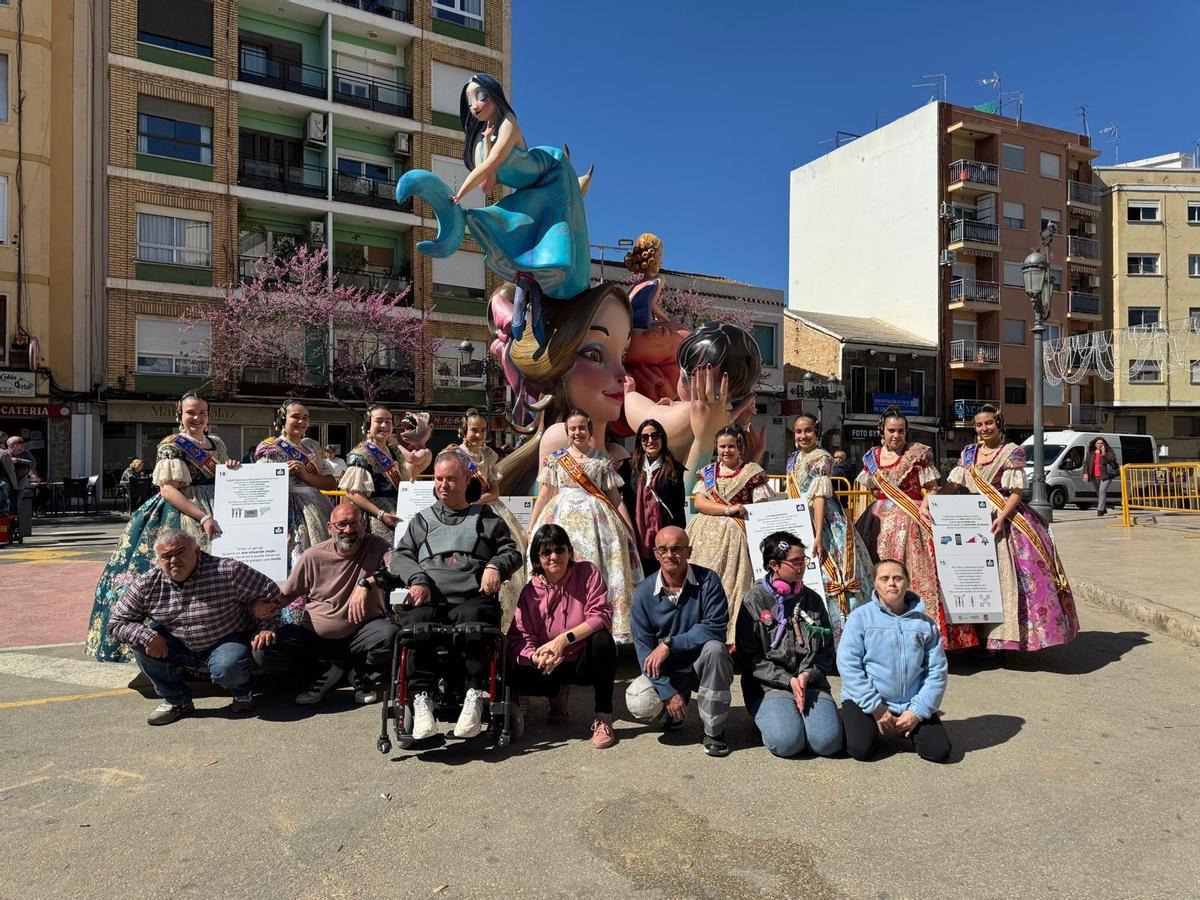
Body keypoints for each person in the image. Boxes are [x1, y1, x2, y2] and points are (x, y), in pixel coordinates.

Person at [397, 74, 591, 350]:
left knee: (539, 233)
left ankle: (542, 294)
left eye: (480, 96)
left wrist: (460, 192)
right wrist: (486, 142)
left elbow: (493, 163)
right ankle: (529, 295)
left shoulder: (509, 123)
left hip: (552, 172)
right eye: (469, 101)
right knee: (500, 223)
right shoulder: (482, 142)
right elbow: (488, 186)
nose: (474, 105)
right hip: (531, 189)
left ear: (495, 95)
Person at [87, 392, 241, 662]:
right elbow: (168, 490)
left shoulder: (216, 443)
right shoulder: (171, 445)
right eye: (191, 412)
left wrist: (231, 468)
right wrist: (203, 517)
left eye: (202, 412)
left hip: (219, 505)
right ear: (180, 414)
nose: (197, 418)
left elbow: (222, 477)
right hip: (184, 510)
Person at [388, 450, 523, 740]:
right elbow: (400, 557)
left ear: (467, 479)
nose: (443, 485)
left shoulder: (485, 519)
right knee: (416, 625)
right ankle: (421, 699)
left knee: (475, 623)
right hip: (431, 596)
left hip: (472, 596)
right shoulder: (422, 521)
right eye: (438, 479)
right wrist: (417, 579)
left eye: (450, 479)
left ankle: (474, 695)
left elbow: (512, 552)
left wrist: (494, 566)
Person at [107, 530, 280, 725]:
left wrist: (266, 625)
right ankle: (177, 700)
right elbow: (117, 621)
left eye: (180, 552)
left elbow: (270, 591)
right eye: (166, 556)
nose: (174, 560)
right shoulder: (146, 583)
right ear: (158, 560)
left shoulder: (228, 571)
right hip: (178, 643)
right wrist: (147, 637)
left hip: (226, 638)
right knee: (141, 645)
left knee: (228, 666)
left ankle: (241, 690)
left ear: (197, 552)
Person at [947, 404, 1079, 652]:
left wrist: (1002, 517)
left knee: (1006, 577)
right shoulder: (969, 453)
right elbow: (953, 485)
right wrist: (933, 503)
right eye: (979, 425)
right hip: (973, 519)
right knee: (974, 579)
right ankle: (977, 635)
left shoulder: (1011, 452)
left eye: (989, 423)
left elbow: (1016, 492)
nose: (984, 428)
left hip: (1005, 519)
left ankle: (1002, 639)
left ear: (998, 424)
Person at [855, 405, 976, 651]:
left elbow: (931, 488)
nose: (896, 435)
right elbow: (872, 490)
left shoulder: (918, 454)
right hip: (877, 521)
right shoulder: (872, 457)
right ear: (882, 431)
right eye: (891, 430)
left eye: (900, 431)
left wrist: (924, 506)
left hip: (911, 519)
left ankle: (922, 634)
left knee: (920, 575)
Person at [258, 501, 399, 705]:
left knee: (392, 635)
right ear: (330, 527)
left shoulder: (377, 546)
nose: (348, 530)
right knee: (263, 651)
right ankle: (323, 671)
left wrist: (367, 583)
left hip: (361, 633)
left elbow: (399, 568)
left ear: (363, 524)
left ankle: (361, 674)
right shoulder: (312, 556)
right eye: (342, 525)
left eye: (354, 523)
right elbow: (286, 596)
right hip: (316, 638)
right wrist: (265, 619)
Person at [528, 409, 642, 642]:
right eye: (573, 429)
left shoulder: (601, 461)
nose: (577, 432)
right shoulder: (557, 460)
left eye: (582, 428)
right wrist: (531, 527)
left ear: (589, 431)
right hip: (561, 518)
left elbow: (615, 499)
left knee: (597, 569)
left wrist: (628, 528)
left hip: (597, 522)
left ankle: (595, 622)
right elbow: (545, 494)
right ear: (567, 432)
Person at [626, 526, 734, 758]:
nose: (669, 555)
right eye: (662, 549)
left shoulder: (708, 581)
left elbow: (715, 627)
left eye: (676, 549)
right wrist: (667, 692)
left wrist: (669, 644)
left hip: (701, 665)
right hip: (669, 669)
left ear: (689, 552)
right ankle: (675, 706)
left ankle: (714, 730)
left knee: (716, 650)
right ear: (655, 554)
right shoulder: (643, 593)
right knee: (638, 699)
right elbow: (644, 651)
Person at [508, 524, 618, 749]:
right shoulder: (530, 591)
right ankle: (554, 694)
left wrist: (562, 640)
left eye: (560, 549)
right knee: (509, 664)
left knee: (603, 642)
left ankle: (603, 717)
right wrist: (536, 657)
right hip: (549, 663)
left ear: (569, 551)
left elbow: (601, 615)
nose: (554, 556)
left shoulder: (587, 573)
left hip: (581, 660)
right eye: (546, 552)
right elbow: (520, 637)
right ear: (537, 558)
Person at [735, 532, 843, 758]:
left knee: (827, 743)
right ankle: (771, 716)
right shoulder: (754, 601)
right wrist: (787, 680)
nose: (802, 565)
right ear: (774, 565)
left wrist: (807, 675)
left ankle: (799, 720)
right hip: (769, 686)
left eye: (803, 559)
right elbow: (750, 658)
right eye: (795, 561)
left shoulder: (813, 600)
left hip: (810, 683)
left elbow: (826, 651)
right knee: (787, 743)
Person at [837, 560, 951, 763]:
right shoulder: (860, 618)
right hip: (868, 701)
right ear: (875, 584)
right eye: (884, 578)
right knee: (860, 749)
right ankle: (865, 724)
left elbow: (937, 671)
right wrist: (876, 708)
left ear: (907, 583)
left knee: (939, 751)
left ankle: (898, 726)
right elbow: (848, 664)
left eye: (898, 578)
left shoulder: (925, 624)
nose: (891, 583)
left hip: (910, 703)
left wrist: (917, 712)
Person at [686, 424, 776, 642]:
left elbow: (761, 506)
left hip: (736, 536)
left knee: (730, 583)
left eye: (731, 446)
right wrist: (728, 510)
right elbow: (700, 502)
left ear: (739, 447)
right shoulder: (709, 472)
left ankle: (731, 634)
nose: (726, 451)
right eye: (722, 446)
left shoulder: (751, 472)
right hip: (703, 535)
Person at [786, 414, 873, 640]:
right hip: (800, 518)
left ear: (817, 432)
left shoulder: (822, 457)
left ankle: (841, 632)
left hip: (824, 522)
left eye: (808, 430)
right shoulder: (793, 458)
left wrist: (817, 535)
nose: (803, 435)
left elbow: (820, 498)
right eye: (799, 431)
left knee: (834, 572)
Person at [442, 409, 528, 626]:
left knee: (516, 546)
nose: (479, 435)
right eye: (474, 430)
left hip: (488, 508)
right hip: (460, 510)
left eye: (483, 430)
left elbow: (495, 491)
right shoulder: (453, 454)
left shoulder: (489, 455)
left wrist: (476, 503)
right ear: (464, 430)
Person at [255, 400, 338, 575]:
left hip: (318, 506)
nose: (301, 422)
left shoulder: (312, 447)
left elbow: (331, 482)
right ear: (282, 419)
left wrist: (306, 476)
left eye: (306, 418)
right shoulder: (270, 448)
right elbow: (262, 486)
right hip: (287, 508)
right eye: (295, 417)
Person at [340, 405, 415, 542]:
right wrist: (380, 514)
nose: (384, 425)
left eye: (388, 421)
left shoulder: (394, 451)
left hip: (399, 511)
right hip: (375, 516)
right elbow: (352, 492)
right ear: (368, 425)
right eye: (379, 421)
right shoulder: (361, 453)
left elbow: (403, 480)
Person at [630, 417, 687, 576]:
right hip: (639, 535)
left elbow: (678, 507)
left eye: (655, 436)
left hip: (665, 532)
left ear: (662, 438)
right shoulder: (630, 468)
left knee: (667, 574)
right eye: (644, 437)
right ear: (639, 442)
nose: (650, 441)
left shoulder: (675, 469)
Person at [625, 233, 671, 330]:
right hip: (641, 327)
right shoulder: (658, 279)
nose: (662, 261)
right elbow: (652, 305)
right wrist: (667, 320)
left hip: (628, 326)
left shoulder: (635, 285)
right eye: (660, 254)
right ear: (651, 256)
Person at [5, 434, 38, 539]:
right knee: (6, 505)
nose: (22, 447)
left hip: (20, 485)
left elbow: (33, 463)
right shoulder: (5, 454)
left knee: (15, 504)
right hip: (8, 484)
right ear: (12, 446)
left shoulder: (26, 453)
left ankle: (13, 526)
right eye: (20, 445)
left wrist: (18, 460)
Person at [1084, 436, 1119, 517]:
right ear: (1095, 444)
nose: (1099, 445)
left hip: (1106, 476)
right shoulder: (1091, 452)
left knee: (1102, 492)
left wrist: (1104, 453)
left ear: (1104, 444)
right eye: (1098, 443)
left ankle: (1100, 510)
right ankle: (1103, 508)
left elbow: (1113, 459)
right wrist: (1085, 473)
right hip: (1094, 476)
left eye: (1101, 443)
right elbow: (1086, 463)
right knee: (1098, 493)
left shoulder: (1108, 451)